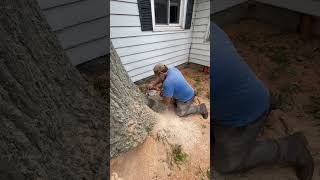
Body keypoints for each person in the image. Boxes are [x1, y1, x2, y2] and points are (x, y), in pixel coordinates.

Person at [211, 22, 314, 180]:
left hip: (242, 113)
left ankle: (292, 148)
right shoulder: (209, 26)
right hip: (246, 89)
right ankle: (269, 101)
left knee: (227, 164)